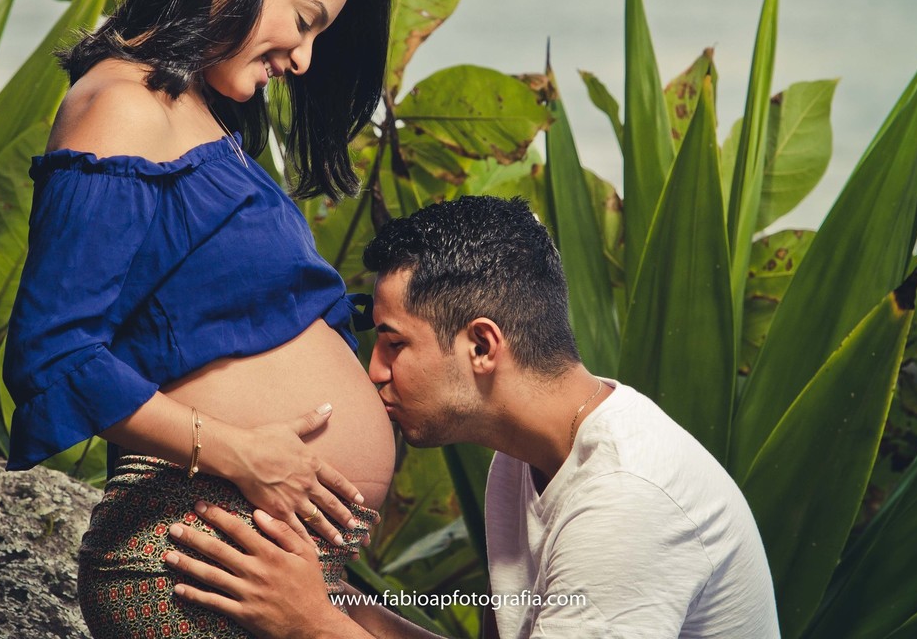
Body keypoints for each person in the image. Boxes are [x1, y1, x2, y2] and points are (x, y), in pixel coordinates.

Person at [1, 0, 396, 639]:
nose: (305, 59)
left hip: (250, 559)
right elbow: (54, 353)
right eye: (306, 20)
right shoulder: (124, 107)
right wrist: (242, 454)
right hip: (191, 556)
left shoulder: (194, 112)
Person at [161, 196, 781, 638]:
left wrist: (314, 626)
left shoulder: (625, 501)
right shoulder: (521, 462)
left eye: (394, 343)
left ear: (482, 345)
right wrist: (340, 605)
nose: (375, 371)